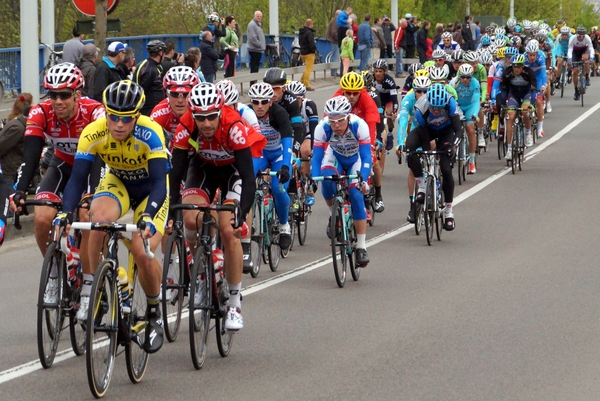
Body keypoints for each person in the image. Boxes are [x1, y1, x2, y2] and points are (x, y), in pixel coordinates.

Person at [55, 80, 168, 353]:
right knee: (96, 222)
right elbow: (77, 179)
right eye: (112, 116)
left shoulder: (151, 133)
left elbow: (158, 184)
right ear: (105, 113)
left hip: (150, 193)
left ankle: (154, 311)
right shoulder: (93, 132)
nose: (118, 124)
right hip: (118, 183)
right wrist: (65, 212)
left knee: (142, 253)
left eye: (126, 119)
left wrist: (149, 217)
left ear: (137, 117)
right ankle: (95, 290)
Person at [168, 83, 266, 331]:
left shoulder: (234, 128)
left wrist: (240, 213)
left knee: (229, 229)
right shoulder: (186, 126)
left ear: (221, 111)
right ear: (193, 115)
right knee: (190, 219)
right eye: (201, 118)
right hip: (203, 170)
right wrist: (171, 209)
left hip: (233, 173)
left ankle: (234, 302)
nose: (207, 124)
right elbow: (176, 172)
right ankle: (201, 271)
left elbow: (248, 176)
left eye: (212, 116)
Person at [10, 64, 105, 309]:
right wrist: (20, 190)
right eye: (53, 95)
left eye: (64, 95)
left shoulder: (95, 112)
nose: (58, 101)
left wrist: (91, 195)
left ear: (77, 94)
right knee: (42, 218)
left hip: (93, 166)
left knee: (86, 216)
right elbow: (30, 158)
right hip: (61, 165)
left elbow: (102, 158)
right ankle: (55, 272)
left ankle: (87, 282)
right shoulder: (40, 112)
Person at [310, 96, 371, 267]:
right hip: (335, 155)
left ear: (348, 116)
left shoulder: (359, 125)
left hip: (355, 159)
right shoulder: (322, 128)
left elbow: (367, 157)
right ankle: (333, 214)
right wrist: (314, 180)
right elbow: (317, 158)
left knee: (356, 195)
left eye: (340, 121)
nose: (336, 125)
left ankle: (361, 246)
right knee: (326, 180)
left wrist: (363, 180)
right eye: (332, 121)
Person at [405, 83, 462, 231]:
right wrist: (427, 154)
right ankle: (422, 186)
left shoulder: (451, 104)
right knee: (410, 150)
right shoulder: (421, 107)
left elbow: (458, 131)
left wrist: (453, 147)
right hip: (427, 131)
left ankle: (449, 212)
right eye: (433, 108)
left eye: (439, 109)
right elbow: (424, 138)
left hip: (446, 132)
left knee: (446, 170)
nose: (436, 112)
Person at [247, 83, 293, 251]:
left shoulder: (279, 113)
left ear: (271, 102)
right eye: (256, 102)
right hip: (260, 154)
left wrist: (286, 167)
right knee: (246, 181)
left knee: (277, 187)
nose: (260, 106)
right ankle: (247, 220)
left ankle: (284, 226)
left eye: (264, 102)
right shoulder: (247, 113)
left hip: (279, 153)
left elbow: (288, 141)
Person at [396, 75, 431, 223]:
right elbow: (403, 121)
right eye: (418, 91)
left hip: (432, 130)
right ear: (414, 91)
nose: (422, 95)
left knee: (435, 157)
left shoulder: (433, 98)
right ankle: (413, 204)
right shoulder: (408, 99)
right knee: (412, 164)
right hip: (417, 130)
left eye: (425, 91)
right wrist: (400, 143)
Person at [499, 54, 537, 159]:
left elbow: (534, 91)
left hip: (526, 95)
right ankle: (510, 149)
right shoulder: (507, 73)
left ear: (523, 66)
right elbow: (504, 90)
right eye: (514, 66)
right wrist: (502, 104)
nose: (516, 68)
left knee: (525, 112)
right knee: (510, 118)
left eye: (519, 66)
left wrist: (531, 105)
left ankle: (528, 132)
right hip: (514, 95)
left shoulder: (529, 72)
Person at [151, 65, 200, 145]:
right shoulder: (159, 112)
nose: (180, 100)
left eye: (185, 94)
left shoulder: (202, 111)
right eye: (174, 94)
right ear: (167, 93)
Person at [451, 63, 480, 174]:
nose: (465, 79)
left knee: (470, 129)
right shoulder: (454, 82)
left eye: (468, 77)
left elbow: (476, 101)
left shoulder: (475, 83)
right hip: (457, 106)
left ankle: (472, 161)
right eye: (462, 77)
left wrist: (475, 114)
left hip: (470, 107)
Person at [0, 94, 33, 190]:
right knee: (9, 199)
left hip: (9, 169)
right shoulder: (18, 128)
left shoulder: (15, 122)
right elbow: (2, 145)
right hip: (8, 170)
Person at [134, 40, 167, 115]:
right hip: (149, 110)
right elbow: (143, 89)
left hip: (151, 108)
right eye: (164, 52)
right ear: (160, 53)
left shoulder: (146, 65)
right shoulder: (150, 69)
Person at [569, 26, 594, 101]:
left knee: (586, 58)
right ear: (576, 35)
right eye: (579, 36)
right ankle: (576, 91)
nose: (581, 37)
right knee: (575, 71)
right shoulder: (573, 38)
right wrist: (570, 59)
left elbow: (591, 49)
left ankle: (586, 77)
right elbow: (570, 50)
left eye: (583, 36)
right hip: (575, 53)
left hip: (584, 51)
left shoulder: (587, 38)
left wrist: (591, 58)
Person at [247, 11, 266, 84]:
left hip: (258, 50)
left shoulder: (258, 25)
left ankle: (254, 83)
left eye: (260, 16)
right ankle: (252, 85)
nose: (259, 17)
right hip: (254, 49)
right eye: (258, 16)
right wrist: (260, 45)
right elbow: (253, 38)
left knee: (256, 68)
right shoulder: (252, 25)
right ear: (254, 16)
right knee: (254, 68)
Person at [299, 19, 317, 91]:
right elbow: (311, 43)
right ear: (310, 24)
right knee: (308, 69)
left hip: (302, 52)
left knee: (306, 68)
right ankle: (306, 84)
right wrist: (314, 50)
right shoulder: (309, 33)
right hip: (309, 53)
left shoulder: (301, 32)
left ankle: (301, 81)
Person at [327, 11, 341, 77]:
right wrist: (339, 39)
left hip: (334, 41)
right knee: (335, 56)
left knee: (335, 56)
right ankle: (333, 71)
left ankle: (334, 71)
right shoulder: (335, 21)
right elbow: (334, 32)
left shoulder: (334, 20)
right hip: (335, 41)